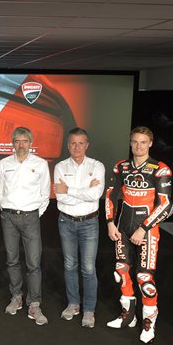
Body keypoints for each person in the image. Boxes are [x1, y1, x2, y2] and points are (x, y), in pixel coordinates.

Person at [105, 126, 173, 343]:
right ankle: (128, 316)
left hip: (148, 230)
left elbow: (165, 205)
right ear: (130, 142)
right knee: (121, 270)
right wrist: (110, 223)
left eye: (143, 142)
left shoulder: (160, 169)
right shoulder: (121, 167)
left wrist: (143, 228)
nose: (138, 146)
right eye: (135, 141)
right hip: (122, 227)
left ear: (150, 144)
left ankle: (149, 323)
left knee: (144, 278)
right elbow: (110, 196)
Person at [0, 126, 51, 325]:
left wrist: (35, 214)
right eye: (17, 141)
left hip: (31, 217)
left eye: (24, 141)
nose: (21, 145)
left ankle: (34, 304)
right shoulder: (3, 164)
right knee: (12, 260)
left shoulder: (41, 164)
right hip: (9, 217)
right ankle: (16, 297)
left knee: (33, 263)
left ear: (30, 143)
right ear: (13, 143)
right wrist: (7, 211)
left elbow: (45, 194)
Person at [54, 128, 105, 328]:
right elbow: (60, 197)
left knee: (88, 268)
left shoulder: (97, 166)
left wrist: (69, 189)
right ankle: (73, 304)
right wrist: (84, 191)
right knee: (69, 265)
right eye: (73, 143)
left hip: (89, 223)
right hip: (66, 222)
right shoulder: (60, 167)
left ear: (87, 145)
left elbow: (96, 195)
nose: (77, 147)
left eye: (81, 143)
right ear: (68, 146)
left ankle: (89, 310)